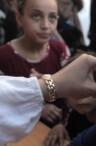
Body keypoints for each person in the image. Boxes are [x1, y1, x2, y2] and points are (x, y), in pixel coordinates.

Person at [0, 54, 96, 145]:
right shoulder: (76, 116)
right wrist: (61, 125)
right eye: (73, 90)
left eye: (94, 84)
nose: (80, 96)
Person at [0, 0, 71, 129]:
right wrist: (36, 108)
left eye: (52, 17)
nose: (45, 25)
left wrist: (46, 81)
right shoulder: (3, 57)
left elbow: (72, 96)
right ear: (19, 18)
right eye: (36, 16)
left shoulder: (60, 50)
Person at [43, 51, 96, 146]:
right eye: (71, 90)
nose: (79, 97)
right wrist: (60, 127)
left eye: (88, 87)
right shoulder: (76, 115)